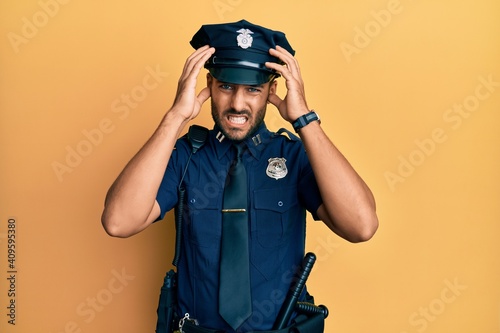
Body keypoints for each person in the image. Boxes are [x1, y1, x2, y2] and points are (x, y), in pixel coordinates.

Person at [101, 19, 378, 333]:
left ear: (272, 91)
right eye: (226, 86)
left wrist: (305, 119)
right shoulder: (184, 156)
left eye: (253, 90)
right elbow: (118, 221)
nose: (237, 104)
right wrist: (175, 116)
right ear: (209, 84)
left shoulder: (295, 156)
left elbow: (361, 226)